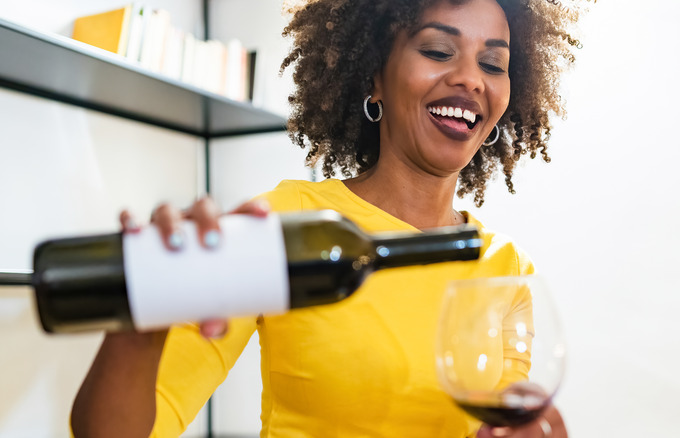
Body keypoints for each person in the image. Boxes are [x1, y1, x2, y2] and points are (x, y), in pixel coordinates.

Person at [70, 0, 587, 436]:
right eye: (437, 50)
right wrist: (137, 329)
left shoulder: (506, 266)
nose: (471, 79)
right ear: (373, 76)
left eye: (493, 64)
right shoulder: (289, 223)